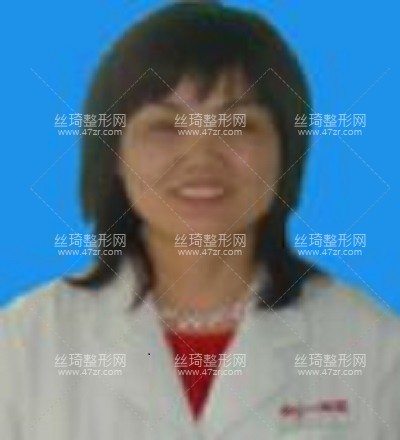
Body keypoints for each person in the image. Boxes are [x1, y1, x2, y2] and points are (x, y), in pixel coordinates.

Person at [1, 2, 399, 439]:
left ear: (286, 151)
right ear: (113, 153)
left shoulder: (371, 343)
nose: (201, 158)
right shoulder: (23, 344)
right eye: (166, 126)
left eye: (238, 125)